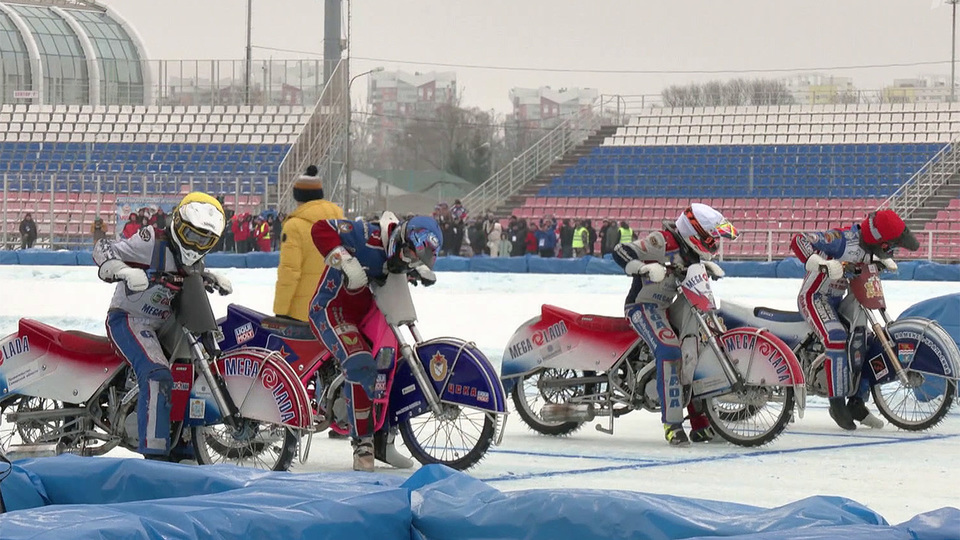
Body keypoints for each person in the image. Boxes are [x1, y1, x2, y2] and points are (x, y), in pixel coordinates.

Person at [93, 192, 233, 460]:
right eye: (190, 235)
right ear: (177, 224)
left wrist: (210, 277)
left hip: (165, 322)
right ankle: (154, 452)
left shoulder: (194, 260)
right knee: (157, 374)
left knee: (191, 369)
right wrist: (123, 271)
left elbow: (187, 275)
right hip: (129, 317)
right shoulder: (151, 242)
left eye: (204, 240)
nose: (195, 244)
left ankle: (180, 439)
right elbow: (104, 248)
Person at [308, 213, 441, 471]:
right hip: (332, 309)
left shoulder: (404, 255)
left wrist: (418, 267)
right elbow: (320, 227)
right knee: (361, 362)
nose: (407, 261)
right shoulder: (363, 235)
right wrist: (344, 259)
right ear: (400, 240)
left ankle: (384, 442)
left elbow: (406, 261)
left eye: (414, 260)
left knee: (394, 364)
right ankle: (363, 444)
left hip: (370, 313)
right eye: (408, 255)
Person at [613, 203, 739, 446]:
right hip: (643, 306)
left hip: (669, 305)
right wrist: (642, 267)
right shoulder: (662, 241)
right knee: (670, 349)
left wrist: (703, 268)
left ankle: (700, 424)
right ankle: (672, 425)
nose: (714, 243)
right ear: (695, 233)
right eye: (711, 237)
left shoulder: (691, 253)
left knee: (696, 349)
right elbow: (620, 250)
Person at [791, 209, 919, 431]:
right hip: (815, 297)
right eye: (890, 245)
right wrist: (819, 262)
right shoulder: (841, 240)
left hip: (839, 298)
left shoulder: (869, 248)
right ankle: (837, 403)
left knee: (865, 340)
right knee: (837, 338)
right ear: (879, 239)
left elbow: (864, 260)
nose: (892, 249)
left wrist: (880, 261)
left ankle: (857, 401)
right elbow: (800, 239)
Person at [273, 165, 344, 322]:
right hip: (335, 308)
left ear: (297, 196)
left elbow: (289, 272)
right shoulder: (340, 222)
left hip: (302, 311)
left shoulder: (295, 226)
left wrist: (281, 310)